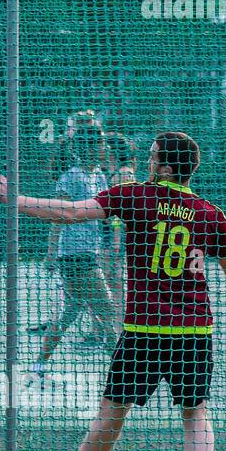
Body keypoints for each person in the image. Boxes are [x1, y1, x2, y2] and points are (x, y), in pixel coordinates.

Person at [0, 131, 226, 451]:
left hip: (144, 330)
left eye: (152, 156)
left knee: (113, 410)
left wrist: (16, 200)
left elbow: (70, 213)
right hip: (194, 332)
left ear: (164, 166)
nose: (146, 160)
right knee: (195, 412)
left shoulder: (134, 195)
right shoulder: (209, 213)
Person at [30, 123, 117, 377]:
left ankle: (39, 365)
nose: (104, 147)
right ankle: (123, 372)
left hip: (89, 253)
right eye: (100, 142)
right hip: (74, 255)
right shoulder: (71, 176)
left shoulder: (98, 175)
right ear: (88, 147)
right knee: (108, 308)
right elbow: (58, 216)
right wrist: (50, 253)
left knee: (70, 312)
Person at [100, 132, 139, 319]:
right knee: (104, 283)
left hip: (115, 239)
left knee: (113, 283)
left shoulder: (123, 175)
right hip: (107, 237)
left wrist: (116, 242)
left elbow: (122, 214)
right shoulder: (111, 173)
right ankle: (101, 328)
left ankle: (117, 325)